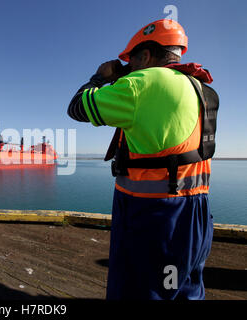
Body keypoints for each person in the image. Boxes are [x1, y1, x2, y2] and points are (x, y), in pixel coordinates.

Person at [67, 19, 219, 300]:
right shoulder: (201, 89)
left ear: (146, 56)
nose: (129, 69)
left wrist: (100, 77)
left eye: (132, 61)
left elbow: (77, 107)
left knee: (141, 291)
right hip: (197, 211)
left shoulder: (141, 83)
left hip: (154, 216)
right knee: (185, 289)